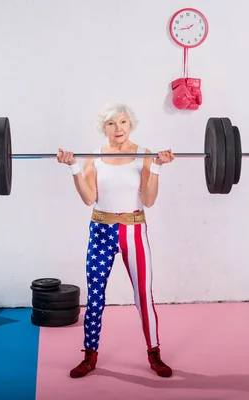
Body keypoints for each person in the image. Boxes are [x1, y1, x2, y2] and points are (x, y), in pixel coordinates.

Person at [56, 102, 175, 379]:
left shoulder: (146, 155)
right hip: (101, 231)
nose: (118, 128)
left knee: (143, 295)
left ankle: (154, 353)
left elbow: (148, 200)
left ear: (129, 124)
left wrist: (156, 166)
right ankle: (89, 355)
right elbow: (88, 198)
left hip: (133, 231)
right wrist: (73, 165)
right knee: (96, 296)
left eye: (122, 122)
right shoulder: (93, 156)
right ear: (104, 127)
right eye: (111, 123)